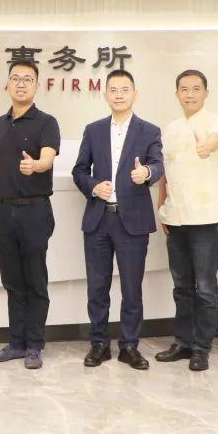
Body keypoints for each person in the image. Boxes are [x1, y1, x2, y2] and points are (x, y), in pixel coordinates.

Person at [72, 69, 163, 371]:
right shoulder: (93, 130)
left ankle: (129, 346)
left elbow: (158, 165)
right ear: (106, 95)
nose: (119, 95)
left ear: (135, 93)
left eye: (125, 89)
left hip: (133, 222)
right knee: (97, 288)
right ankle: (99, 344)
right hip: (99, 220)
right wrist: (93, 187)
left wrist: (146, 173)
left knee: (132, 289)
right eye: (113, 89)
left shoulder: (149, 131)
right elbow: (79, 170)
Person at [0, 59, 60, 370]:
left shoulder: (47, 122)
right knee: (12, 281)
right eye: (15, 78)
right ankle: (16, 343)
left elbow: (48, 158)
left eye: (27, 79)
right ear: (7, 85)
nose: (21, 84)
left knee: (35, 280)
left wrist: (36, 166)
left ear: (37, 86)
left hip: (35, 211)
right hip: (5, 212)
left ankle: (35, 345)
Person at [155, 70, 218, 372]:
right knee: (181, 285)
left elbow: (217, 139)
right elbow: (165, 173)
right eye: (184, 89)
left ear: (206, 93)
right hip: (175, 217)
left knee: (206, 286)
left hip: (205, 219)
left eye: (196, 89)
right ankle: (183, 342)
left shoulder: (215, 121)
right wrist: (162, 207)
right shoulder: (170, 129)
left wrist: (207, 145)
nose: (189, 94)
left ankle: (201, 348)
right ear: (177, 94)